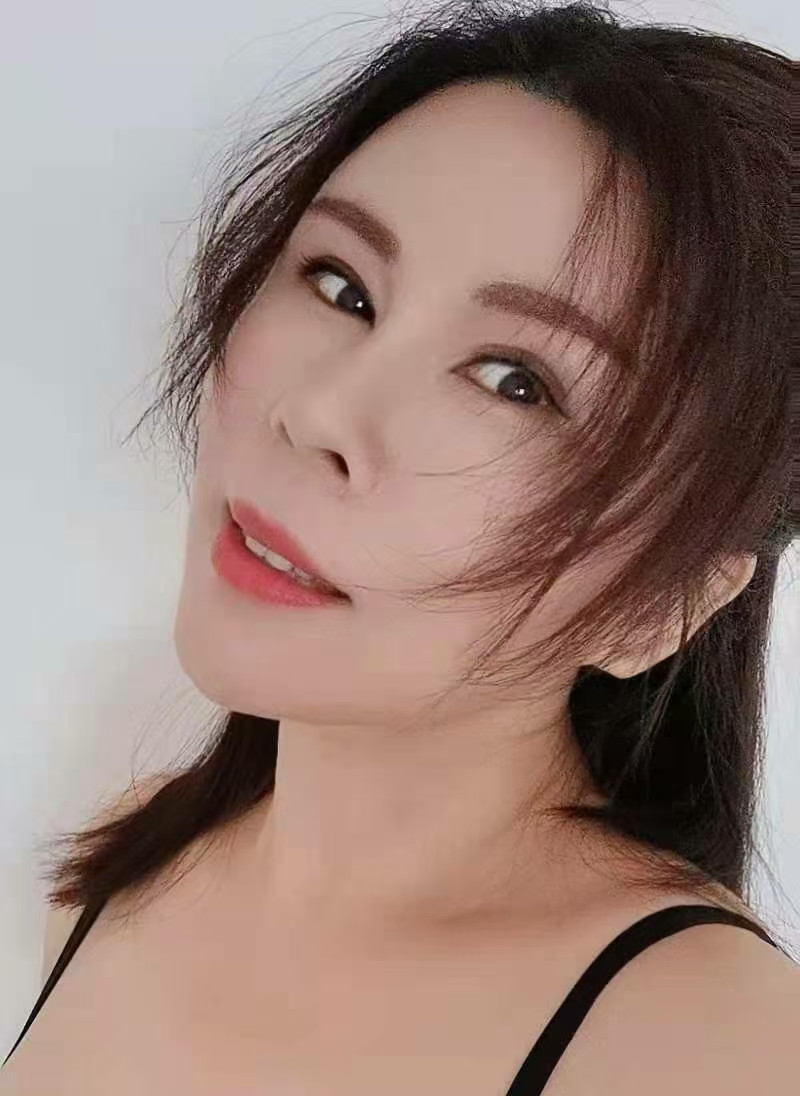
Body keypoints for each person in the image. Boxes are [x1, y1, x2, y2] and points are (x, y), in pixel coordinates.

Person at [2, 1, 798, 1093]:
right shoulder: (121, 867)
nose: (318, 411)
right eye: (341, 285)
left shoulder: (714, 1050)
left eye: (514, 382)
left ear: (659, 604)